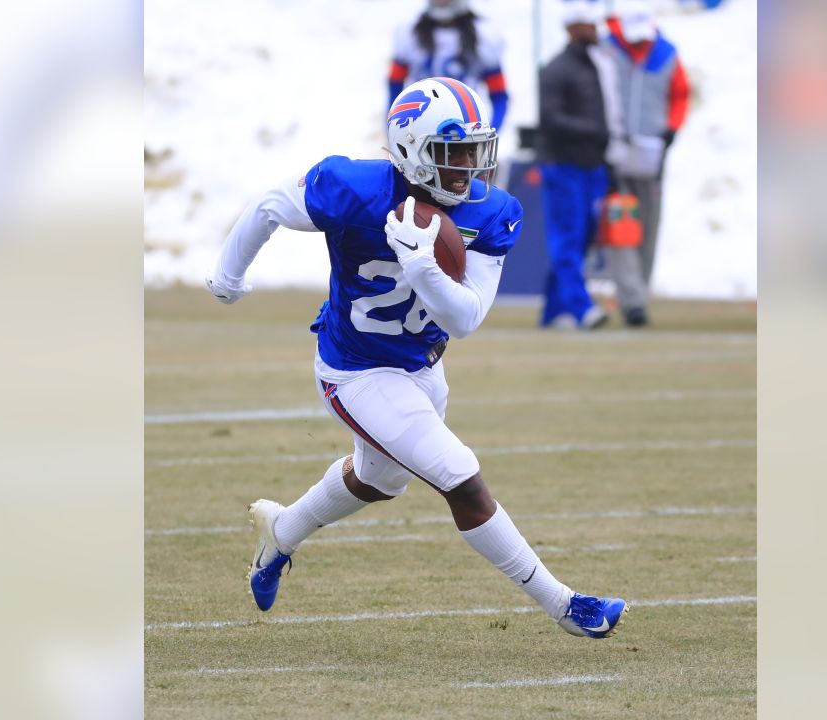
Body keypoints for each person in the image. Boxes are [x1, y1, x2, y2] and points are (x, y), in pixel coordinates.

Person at [206, 77, 626, 639]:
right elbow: (269, 206)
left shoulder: (492, 210)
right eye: (453, 155)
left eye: (475, 153)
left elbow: (465, 318)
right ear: (410, 150)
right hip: (354, 369)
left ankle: (281, 532)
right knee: (462, 478)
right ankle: (566, 605)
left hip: (423, 366)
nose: (467, 169)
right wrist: (229, 275)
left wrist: (424, 266)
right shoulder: (351, 187)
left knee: (379, 480)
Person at [601, 1, 690, 326]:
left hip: (652, 155)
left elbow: (681, 94)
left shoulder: (667, 54)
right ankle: (632, 300)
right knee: (620, 225)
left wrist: (672, 130)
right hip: (615, 152)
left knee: (648, 226)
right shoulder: (607, 49)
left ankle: (639, 290)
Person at [536, 1, 612, 330]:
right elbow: (550, 118)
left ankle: (553, 310)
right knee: (568, 237)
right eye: (589, 25)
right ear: (573, 28)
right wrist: (593, 129)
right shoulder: (556, 68)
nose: (595, 31)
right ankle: (582, 308)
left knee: (583, 237)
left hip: (592, 165)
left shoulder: (595, 64)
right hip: (564, 164)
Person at [389, 0, 510, 131]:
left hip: (466, 127)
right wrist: (395, 129)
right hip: (420, 127)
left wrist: (492, 130)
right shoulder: (409, 32)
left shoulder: (484, 34)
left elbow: (499, 94)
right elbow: (394, 87)